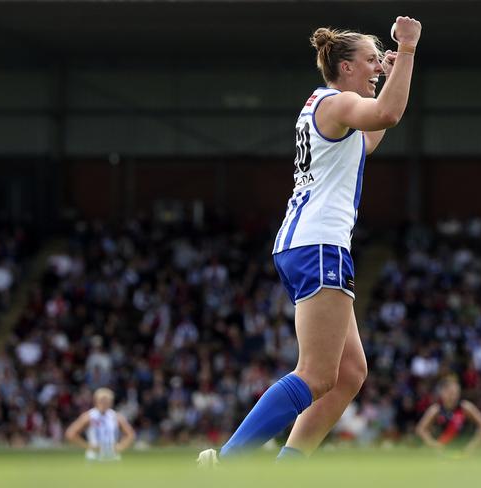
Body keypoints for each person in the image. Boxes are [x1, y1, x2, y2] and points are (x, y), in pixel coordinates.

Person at [197, 15, 422, 467]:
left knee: (349, 373)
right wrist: (410, 51)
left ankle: (288, 469)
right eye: (370, 60)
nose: (378, 66)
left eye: (381, 60)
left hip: (309, 242)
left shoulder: (333, 106)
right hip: (318, 244)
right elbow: (389, 115)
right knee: (317, 374)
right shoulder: (336, 102)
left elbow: (373, 135)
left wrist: (394, 72)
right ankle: (225, 462)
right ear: (344, 67)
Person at [415, 375, 481, 452]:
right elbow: (420, 429)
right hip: (443, 452)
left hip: (463, 452)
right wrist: (433, 444)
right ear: (442, 393)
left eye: (456, 393)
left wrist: (473, 444)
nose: (454, 396)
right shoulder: (436, 410)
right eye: (451, 393)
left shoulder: (465, 407)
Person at [65, 388, 135, 461]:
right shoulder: (89, 416)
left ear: (111, 402)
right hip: (94, 456)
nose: (104, 403)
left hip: (112, 456)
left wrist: (121, 446)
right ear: (96, 401)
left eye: (107, 400)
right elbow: (70, 433)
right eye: (102, 400)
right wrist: (88, 446)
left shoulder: (116, 416)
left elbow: (130, 434)